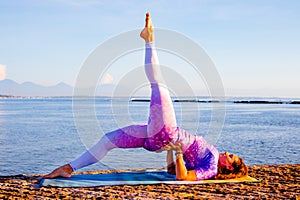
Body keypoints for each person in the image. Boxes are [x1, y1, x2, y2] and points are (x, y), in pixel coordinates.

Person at [44, 13, 248, 181]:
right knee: (108, 140)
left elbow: (182, 178)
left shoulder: (211, 167)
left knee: (159, 85)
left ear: (229, 168)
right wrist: (172, 151)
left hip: (166, 134)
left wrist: (176, 149)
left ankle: (149, 39)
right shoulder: (209, 159)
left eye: (231, 157)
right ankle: (68, 168)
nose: (228, 153)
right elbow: (171, 171)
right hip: (158, 138)